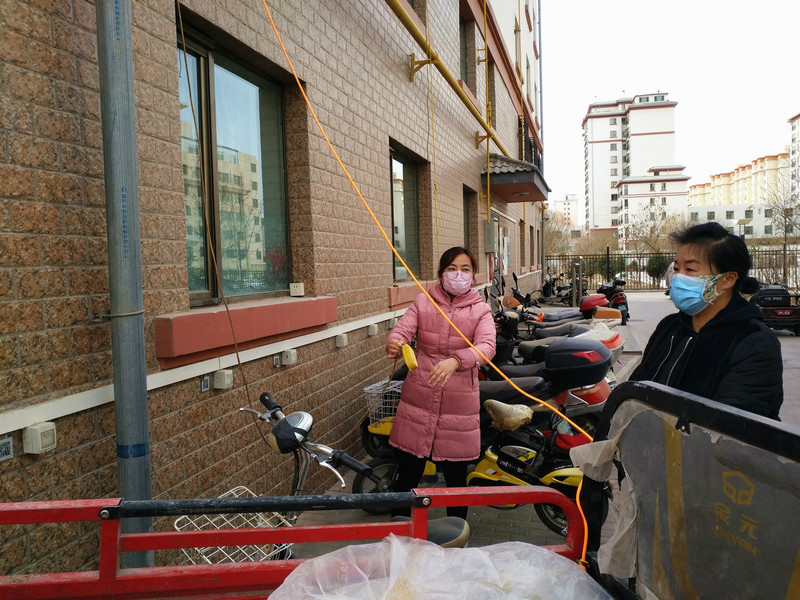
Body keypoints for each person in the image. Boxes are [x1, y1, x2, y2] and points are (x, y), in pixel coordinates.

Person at [630, 222, 783, 419]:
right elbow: (636, 390)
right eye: (676, 268)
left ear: (728, 279)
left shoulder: (754, 342)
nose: (678, 278)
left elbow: (735, 424)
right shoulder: (669, 327)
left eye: (690, 269)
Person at [386, 246, 496, 519]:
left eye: (465, 269)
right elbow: (403, 329)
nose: (458, 274)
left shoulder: (481, 310)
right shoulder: (423, 302)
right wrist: (395, 341)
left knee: (456, 479)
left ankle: (456, 535)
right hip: (419, 398)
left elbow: (487, 347)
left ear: (473, 275)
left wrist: (457, 361)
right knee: (407, 475)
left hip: (459, 404)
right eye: (451, 269)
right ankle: (399, 532)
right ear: (441, 273)